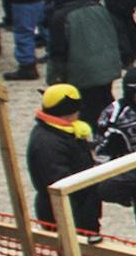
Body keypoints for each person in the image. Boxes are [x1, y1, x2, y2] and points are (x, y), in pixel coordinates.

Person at [26, 84, 98, 228]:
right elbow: (60, 183)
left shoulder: (65, 130)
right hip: (66, 213)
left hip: (80, 206)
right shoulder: (48, 143)